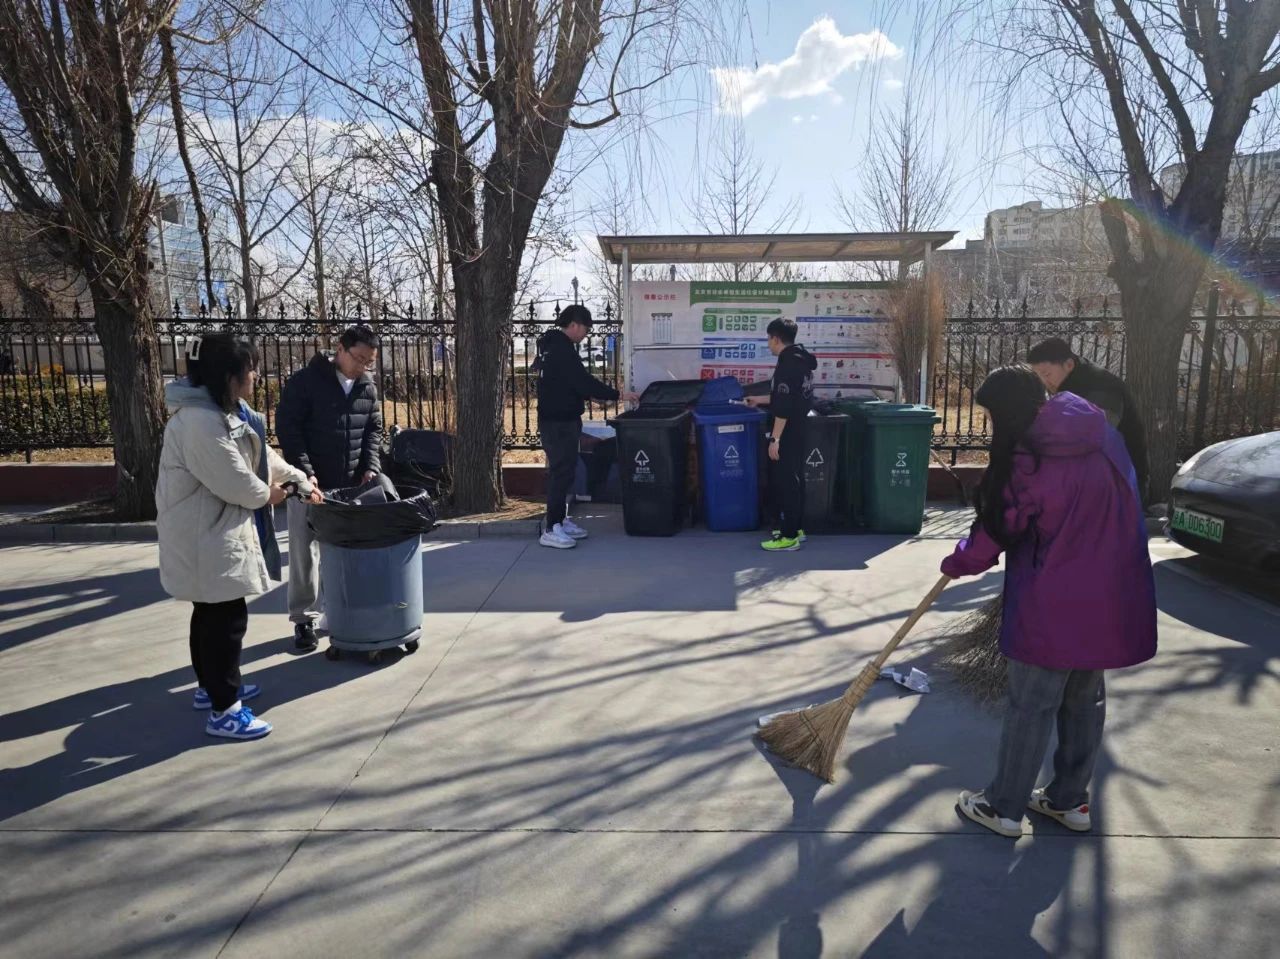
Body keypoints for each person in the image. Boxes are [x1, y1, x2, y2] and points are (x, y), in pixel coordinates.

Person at [942, 365, 1157, 838]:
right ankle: (1069, 801)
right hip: (1111, 593)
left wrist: (958, 561)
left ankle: (1003, 808)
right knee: (1085, 699)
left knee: (1031, 705)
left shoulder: (1029, 458)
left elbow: (1000, 529)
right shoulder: (1102, 433)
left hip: (1053, 599)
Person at [156, 334, 319, 740]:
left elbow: (262, 456)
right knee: (225, 622)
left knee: (210, 617)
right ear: (228, 376)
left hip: (210, 534)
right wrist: (274, 495)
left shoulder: (221, 410)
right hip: (204, 538)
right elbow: (240, 484)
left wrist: (298, 479)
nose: (256, 375)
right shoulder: (200, 423)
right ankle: (225, 711)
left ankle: (209, 689)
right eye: (250, 369)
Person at [276, 325, 383, 649]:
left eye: (369, 361)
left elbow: (372, 431)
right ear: (340, 349)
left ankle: (336, 611)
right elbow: (289, 429)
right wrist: (305, 473)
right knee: (303, 553)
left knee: (339, 552)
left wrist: (370, 466)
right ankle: (303, 619)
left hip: (347, 485)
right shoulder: (306, 382)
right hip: (306, 483)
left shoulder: (367, 387)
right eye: (360, 358)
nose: (364, 366)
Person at [535, 304, 637, 549]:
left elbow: (567, 383)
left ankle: (560, 520)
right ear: (574, 325)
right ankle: (551, 528)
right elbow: (583, 382)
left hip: (561, 419)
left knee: (567, 470)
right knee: (561, 472)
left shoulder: (551, 347)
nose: (586, 335)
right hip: (558, 422)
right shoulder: (561, 349)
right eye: (585, 329)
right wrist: (618, 394)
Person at [1027, 337, 1149, 504]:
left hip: (1119, 480)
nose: (1044, 381)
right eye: (1039, 375)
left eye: (1047, 374)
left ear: (1068, 365)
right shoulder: (1067, 382)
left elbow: (1092, 437)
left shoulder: (1101, 387)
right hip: (1093, 479)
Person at [745, 318, 817, 552]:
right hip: (799, 427)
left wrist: (775, 439)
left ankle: (788, 537)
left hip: (787, 430)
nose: (768, 344)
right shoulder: (801, 360)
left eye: (768, 339)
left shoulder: (787, 364)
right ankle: (796, 529)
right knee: (795, 479)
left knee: (787, 481)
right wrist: (760, 399)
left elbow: (784, 408)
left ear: (776, 338)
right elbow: (786, 396)